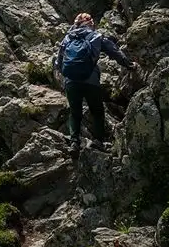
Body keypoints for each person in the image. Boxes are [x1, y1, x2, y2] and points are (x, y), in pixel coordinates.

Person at [54, 13, 138, 154]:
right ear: (89, 23)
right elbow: (114, 52)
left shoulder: (67, 38)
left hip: (71, 82)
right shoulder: (96, 36)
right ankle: (98, 141)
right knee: (97, 112)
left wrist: (68, 76)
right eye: (91, 21)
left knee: (75, 113)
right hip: (91, 80)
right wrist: (130, 65)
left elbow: (58, 63)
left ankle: (74, 143)